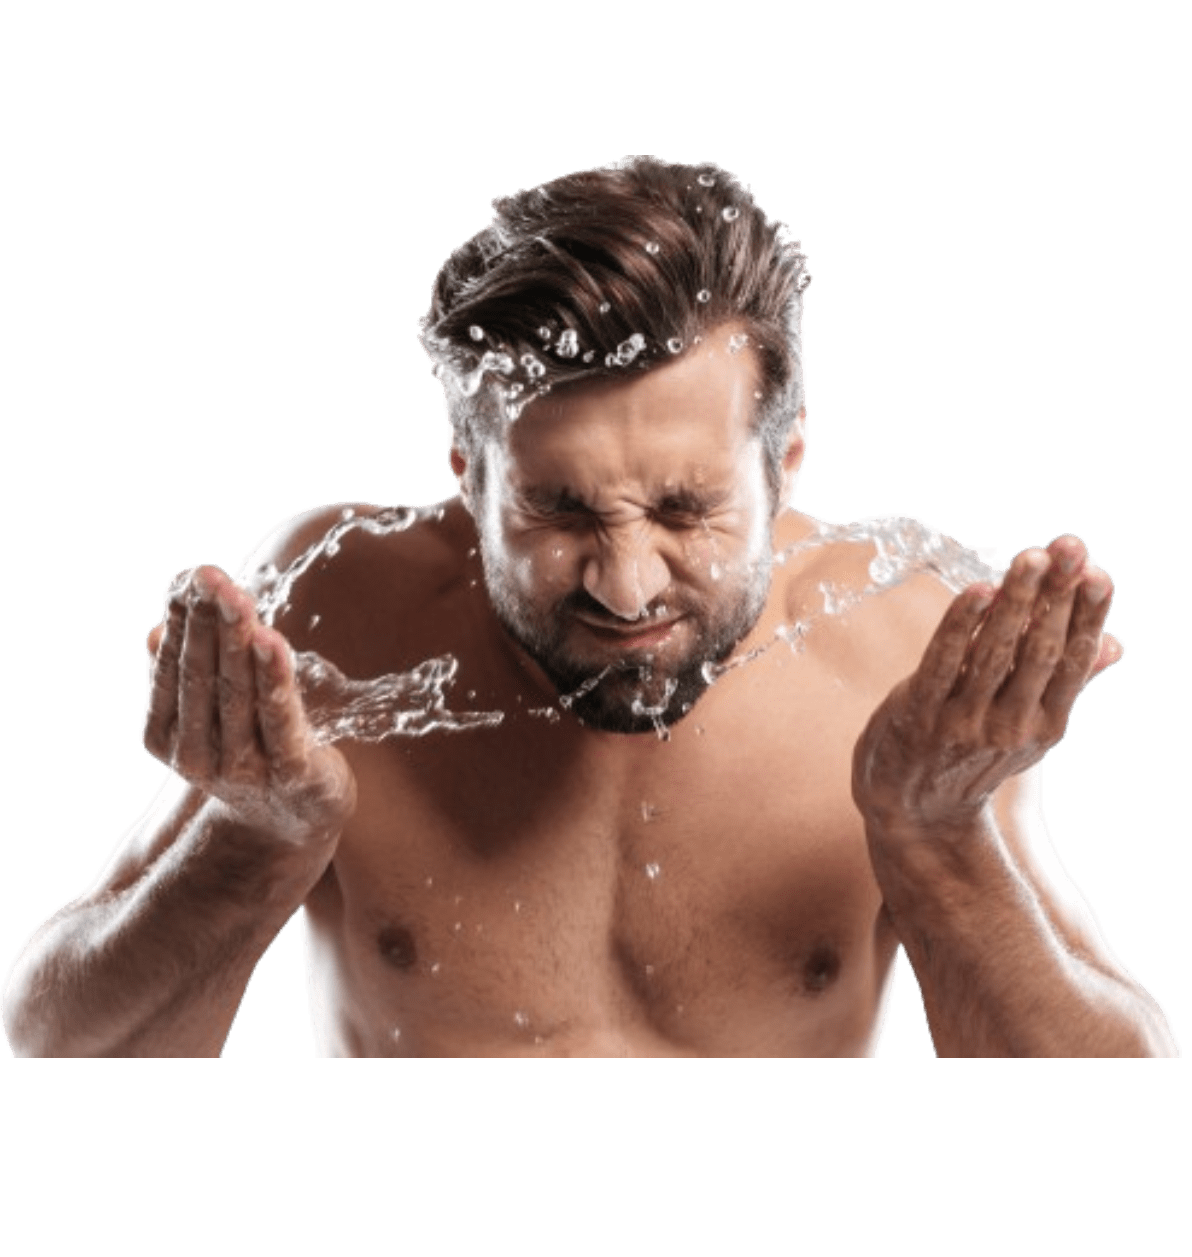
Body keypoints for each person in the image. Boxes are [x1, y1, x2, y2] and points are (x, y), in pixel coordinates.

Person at [0, 156, 1179, 1058]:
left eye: (683, 509)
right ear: (466, 471)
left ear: (787, 467)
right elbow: (62, 1045)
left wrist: (939, 840)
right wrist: (245, 845)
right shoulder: (334, 612)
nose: (625, 585)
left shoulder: (906, 651)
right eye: (560, 511)